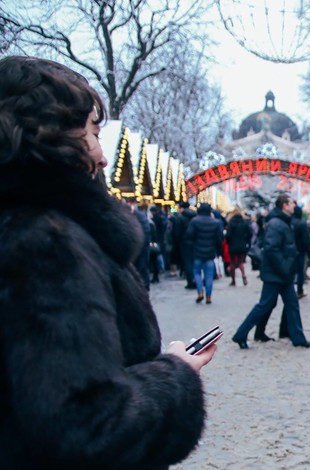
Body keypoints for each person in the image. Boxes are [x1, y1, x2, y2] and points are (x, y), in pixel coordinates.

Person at [0, 56, 214, 467]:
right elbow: (89, 425)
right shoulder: (46, 244)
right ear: (54, 136)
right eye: (93, 132)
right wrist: (176, 372)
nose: (101, 156)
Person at [232, 195, 310, 349]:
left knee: (291, 304)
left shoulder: (281, 222)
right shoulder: (277, 223)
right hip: (277, 273)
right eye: (291, 203)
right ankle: (241, 334)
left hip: (282, 273)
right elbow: (272, 248)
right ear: (284, 205)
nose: (293, 206)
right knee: (265, 305)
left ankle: (298, 338)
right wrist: (284, 267)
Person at [186, 202, 224, 304]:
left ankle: (200, 292)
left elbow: (189, 235)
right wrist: (219, 252)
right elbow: (219, 239)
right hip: (210, 252)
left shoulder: (194, 221)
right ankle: (208, 296)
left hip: (197, 251)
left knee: (197, 273)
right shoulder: (216, 223)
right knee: (209, 275)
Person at [225, 209, 252, 286]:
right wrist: (246, 242)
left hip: (233, 245)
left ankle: (233, 280)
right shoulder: (244, 223)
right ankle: (243, 274)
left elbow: (228, 235)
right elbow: (249, 234)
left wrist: (228, 242)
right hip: (242, 245)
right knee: (240, 262)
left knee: (232, 263)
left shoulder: (231, 223)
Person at [292, 205, 310, 299]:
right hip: (299, 251)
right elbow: (305, 239)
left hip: (290, 250)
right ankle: (299, 290)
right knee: (300, 272)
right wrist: (308, 251)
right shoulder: (301, 224)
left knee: (291, 271)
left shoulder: (289, 222)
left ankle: (290, 290)